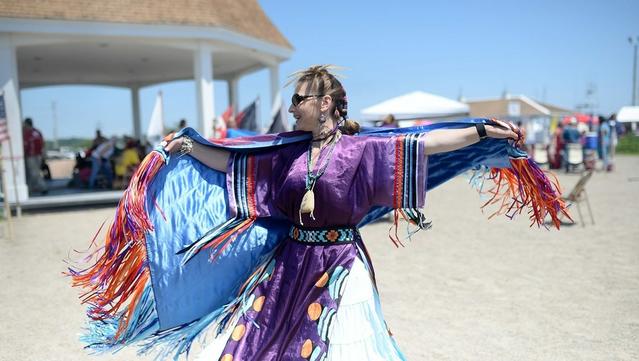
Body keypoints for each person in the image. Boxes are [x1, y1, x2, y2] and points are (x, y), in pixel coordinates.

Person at [71, 66, 568, 361]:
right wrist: (190, 148)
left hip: (340, 265)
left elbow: (425, 142)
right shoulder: (285, 154)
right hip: (289, 265)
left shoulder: (361, 151)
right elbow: (232, 163)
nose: (291, 109)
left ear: (326, 103)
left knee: (345, 339)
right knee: (260, 341)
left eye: (298, 100)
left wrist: (480, 133)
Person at [22, 118, 48, 195]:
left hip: (33, 156)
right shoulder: (35, 132)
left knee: (34, 173)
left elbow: (42, 144)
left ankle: (42, 187)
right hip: (33, 155)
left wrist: (44, 154)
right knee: (32, 173)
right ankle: (29, 189)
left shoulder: (30, 132)